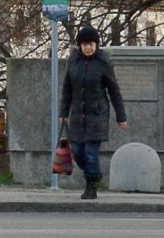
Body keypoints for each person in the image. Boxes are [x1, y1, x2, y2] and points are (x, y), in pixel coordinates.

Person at [59, 26, 127, 200]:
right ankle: (94, 174)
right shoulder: (73, 62)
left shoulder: (103, 63)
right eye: (84, 44)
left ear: (96, 45)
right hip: (77, 115)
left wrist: (121, 117)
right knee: (78, 152)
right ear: (79, 46)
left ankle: (91, 186)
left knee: (90, 153)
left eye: (91, 44)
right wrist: (64, 112)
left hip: (97, 115)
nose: (88, 48)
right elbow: (67, 88)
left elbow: (114, 90)